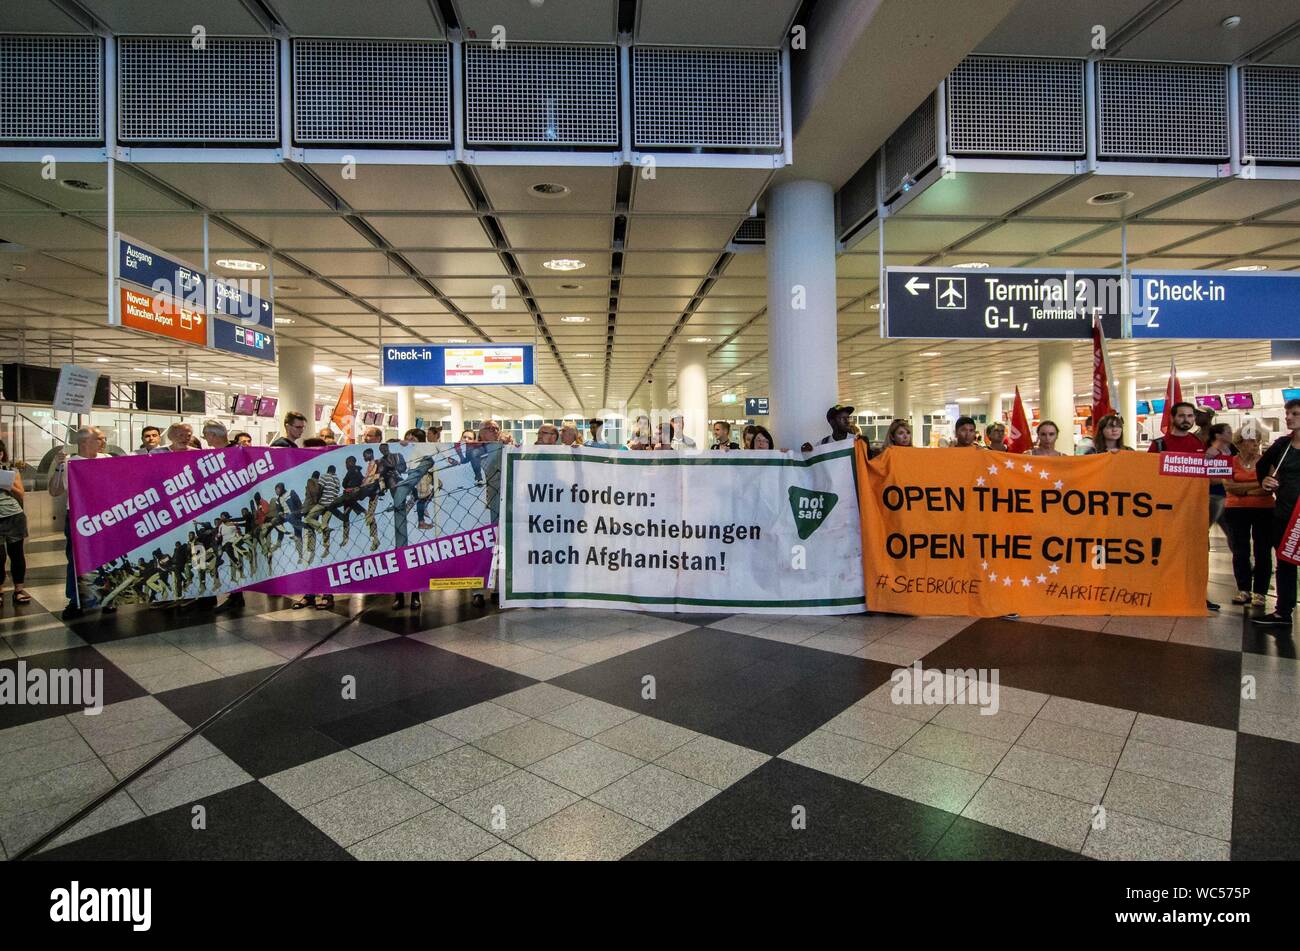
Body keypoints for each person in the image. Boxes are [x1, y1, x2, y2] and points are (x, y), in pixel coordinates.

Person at [1149, 402, 1220, 611]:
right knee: (1164, 552)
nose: (1187, 420)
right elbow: (1147, 475)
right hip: (1165, 510)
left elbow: (1210, 477)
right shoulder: (1159, 445)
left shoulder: (1199, 444)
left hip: (1193, 511)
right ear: (1172, 418)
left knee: (1196, 554)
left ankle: (1197, 594)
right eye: (1182, 416)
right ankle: (1162, 591)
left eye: (1190, 416)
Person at [48, 426, 111, 619]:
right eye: (99, 439)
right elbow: (54, 491)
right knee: (76, 559)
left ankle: (107, 597)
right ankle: (75, 600)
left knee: (107, 558)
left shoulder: (107, 460)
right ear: (84, 442)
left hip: (105, 516)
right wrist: (59, 467)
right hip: (78, 517)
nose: (103, 442)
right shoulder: (69, 463)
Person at [1256, 398, 1300, 631]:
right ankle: (1284, 610)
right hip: (1285, 513)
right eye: (1288, 413)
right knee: (1285, 562)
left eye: (1295, 413)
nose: (1289, 417)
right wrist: (1265, 480)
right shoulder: (1283, 445)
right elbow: (1262, 466)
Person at [1223, 430, 1274, 608]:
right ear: (1239, 443)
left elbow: (1268, 487)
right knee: (1240, 551)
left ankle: (1260, 592)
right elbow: (1228, 486)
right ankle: (1243, 589)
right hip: (1236, 510)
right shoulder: (1231, 462)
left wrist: (1242, 489)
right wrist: (1255, 486)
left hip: (1264, 510)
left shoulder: (1266, 462)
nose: (1254, 444)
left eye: (1256, 441)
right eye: (1250, 441)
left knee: (1263, 551)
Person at [471, 421, 502, 607]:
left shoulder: (506, 447)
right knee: (480, 549)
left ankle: (498, 588)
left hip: (500, 505)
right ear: (481, 433)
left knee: (500, 548)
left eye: (496, 428)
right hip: (479, 508)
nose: (495, 431)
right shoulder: (475, 451)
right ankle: (478, 590)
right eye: (490, 429)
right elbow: (488, 468)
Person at [0, 439, 30, 605]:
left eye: (1, 452)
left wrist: (7, 485)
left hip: (13, 517)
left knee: (16, 554)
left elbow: (21, 494)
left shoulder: (10, 471)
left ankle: (18, 589)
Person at [1205, 422, 1235, 531]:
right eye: (1228, 432)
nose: (1232, 434)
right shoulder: (1211, 453)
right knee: (1204, 528)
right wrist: (1230, 479)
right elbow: (1210, 478)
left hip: (1225, 495)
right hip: (1215, 496)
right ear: (1218, 435)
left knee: (1231, 530)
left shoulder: (1229, 451)